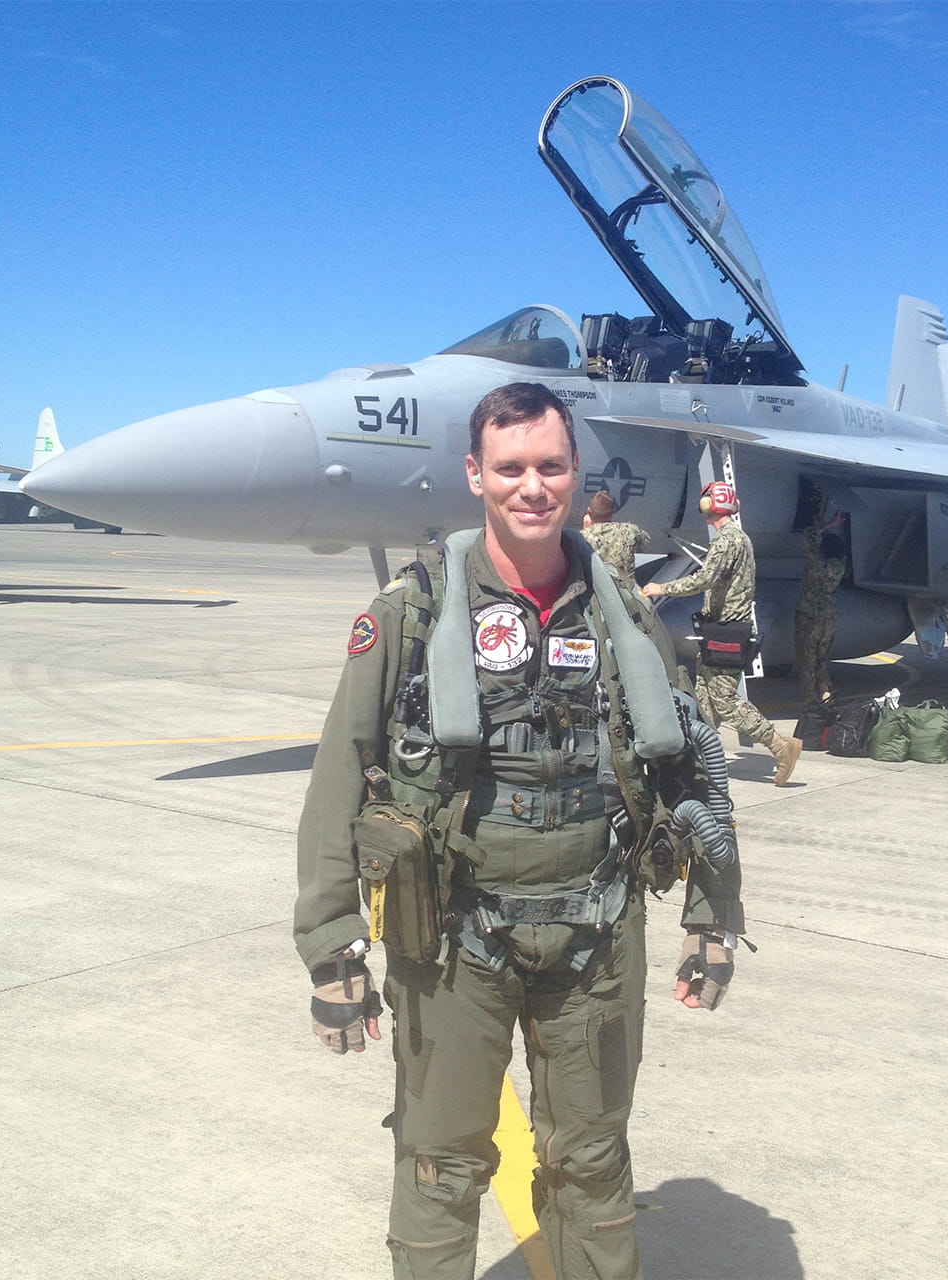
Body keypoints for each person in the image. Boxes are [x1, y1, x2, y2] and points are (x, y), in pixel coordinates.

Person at [294, 382, 747, 1280]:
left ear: (576, 473)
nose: (531, 487)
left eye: (550, 466)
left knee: (592, 1159)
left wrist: (713, 916)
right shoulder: (412, 612)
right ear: (475, 474)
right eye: (510, 468)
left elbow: (691, 767)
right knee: (440, 1163)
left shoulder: (623, 613)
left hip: (599, 932)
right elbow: (341, 772)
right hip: (451, 938)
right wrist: (332, 945)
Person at [643, 483, 802, 786]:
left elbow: (704, 579)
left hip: (727, 632)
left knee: (724, 700)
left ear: (710, 507)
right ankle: (700, 758)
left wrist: (662, 588)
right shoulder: (737, 538)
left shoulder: (727, 540)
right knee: (704, 698)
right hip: (719, 629)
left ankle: (781, 747)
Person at [793, 489, 847, 704]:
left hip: (809, 616)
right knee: (821, 661)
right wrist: (829, 527)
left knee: (807, 663)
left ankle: (811, 706)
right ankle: (826, 697)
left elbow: (807, 538)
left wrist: (824, 526)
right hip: (828, 617)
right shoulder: (839, 567)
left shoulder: (818, 563)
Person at [580, 488, 650, 578]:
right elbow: (646, 545)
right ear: (613, 510)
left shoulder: (581, 538)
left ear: (589, 511)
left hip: (596, 586)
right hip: (625, 586)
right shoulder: (631, 531)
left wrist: (587, 530)